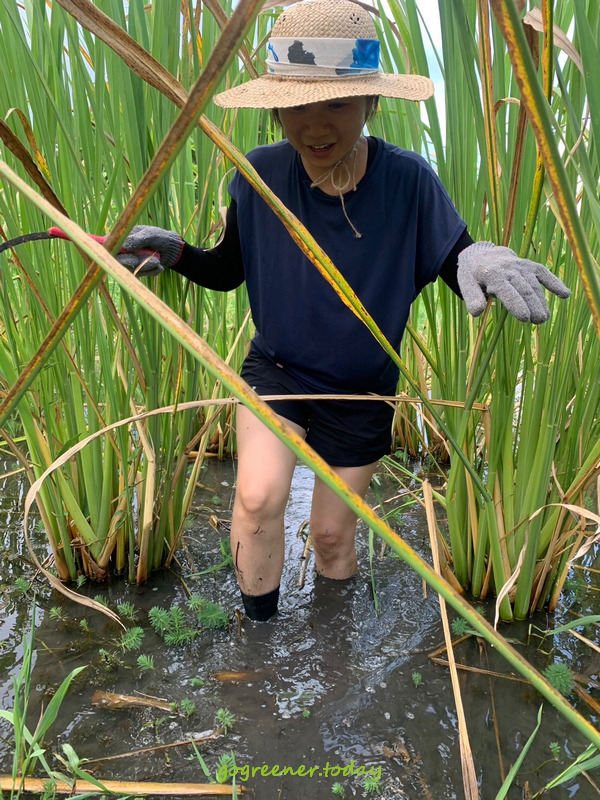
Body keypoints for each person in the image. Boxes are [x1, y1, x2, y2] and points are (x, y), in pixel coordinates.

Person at [117, 0, 570, 621]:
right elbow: (229, 270)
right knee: (255, 496)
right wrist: (177, 254)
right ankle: (258, 649)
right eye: (297, 105)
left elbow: (456, 257)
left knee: (332, 539)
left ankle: (333, 664)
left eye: (336, 103)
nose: (314, 125)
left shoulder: (408, 181)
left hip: (361, 391)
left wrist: (482, 260)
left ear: (371, 104)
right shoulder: (260, 174)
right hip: (277, 372)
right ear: (274, 106)